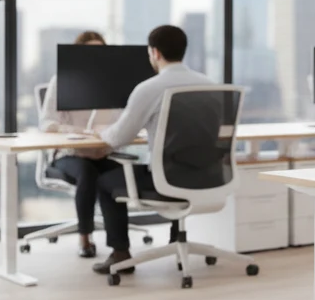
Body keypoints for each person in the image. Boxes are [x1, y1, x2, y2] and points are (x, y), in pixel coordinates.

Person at [91, 25, 213, 276]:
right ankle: (175, 244)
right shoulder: (209, 84)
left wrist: (100, 132)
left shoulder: (149, 88)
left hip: (166, 181)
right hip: (209, 176)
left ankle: (120, 253)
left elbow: (118, 138)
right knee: (175, 168)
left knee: (104, 180)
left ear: (155, 53)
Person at [38, 31, 120, 259]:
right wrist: (78, 132)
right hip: (68, 155)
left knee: (118, 175)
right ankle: (85, 237)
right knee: (88, 172)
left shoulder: (111, 84)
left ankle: (120, 248)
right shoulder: (63, 80)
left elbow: (121, 120)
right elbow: (46, 123)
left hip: (101, 152)